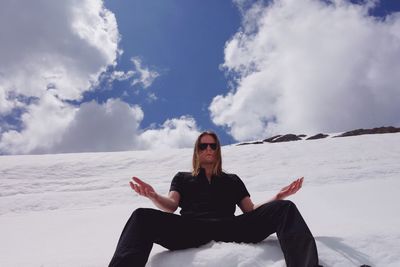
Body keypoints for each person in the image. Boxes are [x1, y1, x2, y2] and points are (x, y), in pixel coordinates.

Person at [109, 131, 321, 267]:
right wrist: (154, 196)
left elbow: (250, 210)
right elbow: (171, 206)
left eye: (213, 146)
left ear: (218, 150)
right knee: (141, 217)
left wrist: (278, 197)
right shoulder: (182, 177)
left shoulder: (232, 179)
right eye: (203, 146)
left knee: (284, 208)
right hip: (191, 228)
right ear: (197, 151)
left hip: (230, 227)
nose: (208, 149)